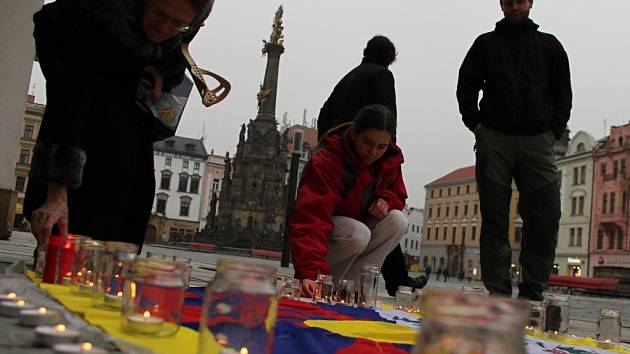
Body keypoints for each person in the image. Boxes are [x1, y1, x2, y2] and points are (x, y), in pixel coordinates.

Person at [24, 0, 215, 251]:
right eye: (158, 14)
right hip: (82, 152)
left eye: (178, 24)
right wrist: (57, 193)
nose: (164, 28)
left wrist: (162, 72)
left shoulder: (177, 32)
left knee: (116, 258)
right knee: (69, 255)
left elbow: (175, 54)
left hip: (128, 160)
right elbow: (67, 106)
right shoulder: (95, 21)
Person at [456, 0, 572, 301]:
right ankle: (498, 290)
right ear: (501, 5)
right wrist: (476, 125)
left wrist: (552, 133)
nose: (515, 7)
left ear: (531, 3)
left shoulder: (550, 46)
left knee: (545, 213)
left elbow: (563, 93)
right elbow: (466, 86)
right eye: (509, 2)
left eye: (520, 1)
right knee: (494, 215)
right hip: (494, 136)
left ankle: (533, 289)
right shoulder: (486, 45)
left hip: (538, 139)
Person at [317, 35, 427, 296]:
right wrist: (384, 151)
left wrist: (329, 142)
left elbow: (324, 112)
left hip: (343, 150)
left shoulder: (348, 78)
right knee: (369, 220)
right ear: (391, 58)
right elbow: (387, 118)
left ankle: (386, 279)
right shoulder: (382, 77)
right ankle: (357, 284)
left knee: (380, 216)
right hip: (361, 157)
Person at [290, 104, 408, 297]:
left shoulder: (389, 160)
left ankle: (352, 290)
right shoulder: (328, 161)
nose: (373, 152)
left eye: (381, 146)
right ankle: (323, 284)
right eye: (368, 143)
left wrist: (385, 200)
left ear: (389, 144)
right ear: (354, 134)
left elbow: (398, 193)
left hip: (353, 227)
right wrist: (309, 273)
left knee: (398, 220)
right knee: (357, 233)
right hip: (331, 232)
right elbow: (311, 218)